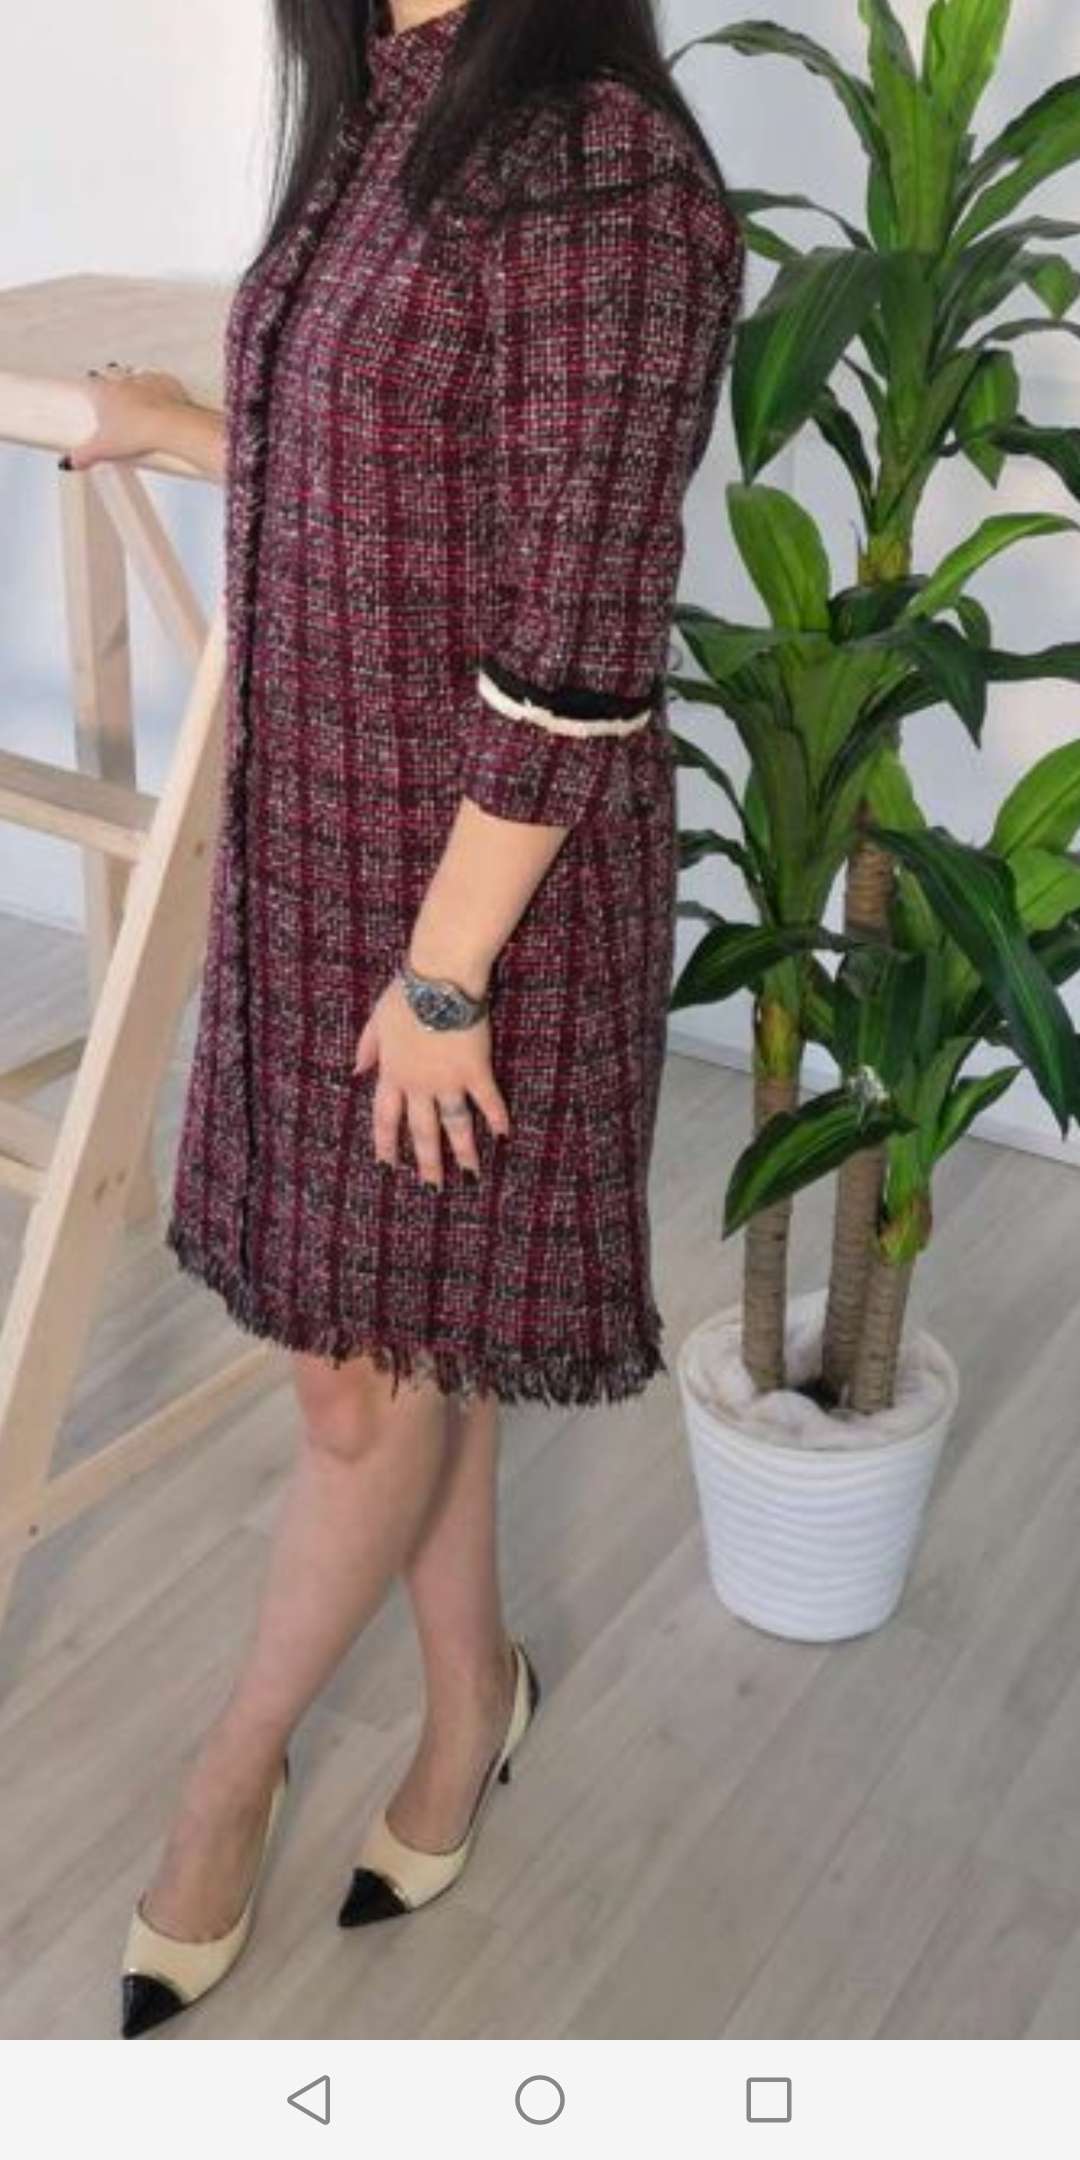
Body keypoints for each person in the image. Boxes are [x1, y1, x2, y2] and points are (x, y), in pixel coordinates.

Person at [65, 0, 744, 2038]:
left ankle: (227, 1783)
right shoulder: (381, 96)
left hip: (482, 892)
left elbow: (578, 630)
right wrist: (189, 427)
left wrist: (447, 975)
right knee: (398, 1341)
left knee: (364, 1382)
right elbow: (396, 456)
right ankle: (472, 1701)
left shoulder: (610, 168)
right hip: (322, 846)